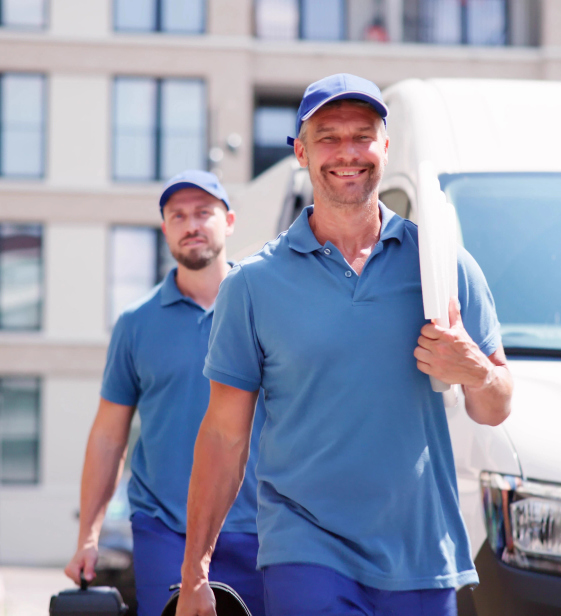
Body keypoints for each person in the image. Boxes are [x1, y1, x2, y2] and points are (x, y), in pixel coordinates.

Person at [177, 74, 514, 616]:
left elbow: (496, 407)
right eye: (329, 137)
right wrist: (196, 572)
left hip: (422, 554)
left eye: (362, 135)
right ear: (301, 153)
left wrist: (475, 369)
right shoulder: (253, 286)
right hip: (305, 548)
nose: (347, 153)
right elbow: (223, 437)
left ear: (385, 147)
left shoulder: (441, 265)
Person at [64, 170, 266, 616]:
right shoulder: (135, 324)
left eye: (203, 212)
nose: (191, 224)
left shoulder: (264, 310)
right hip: (165, 529)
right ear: (165, 230)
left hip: (259, 528)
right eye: (178, 215)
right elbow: (108, 437)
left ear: (229, 221)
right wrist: (89, 538)